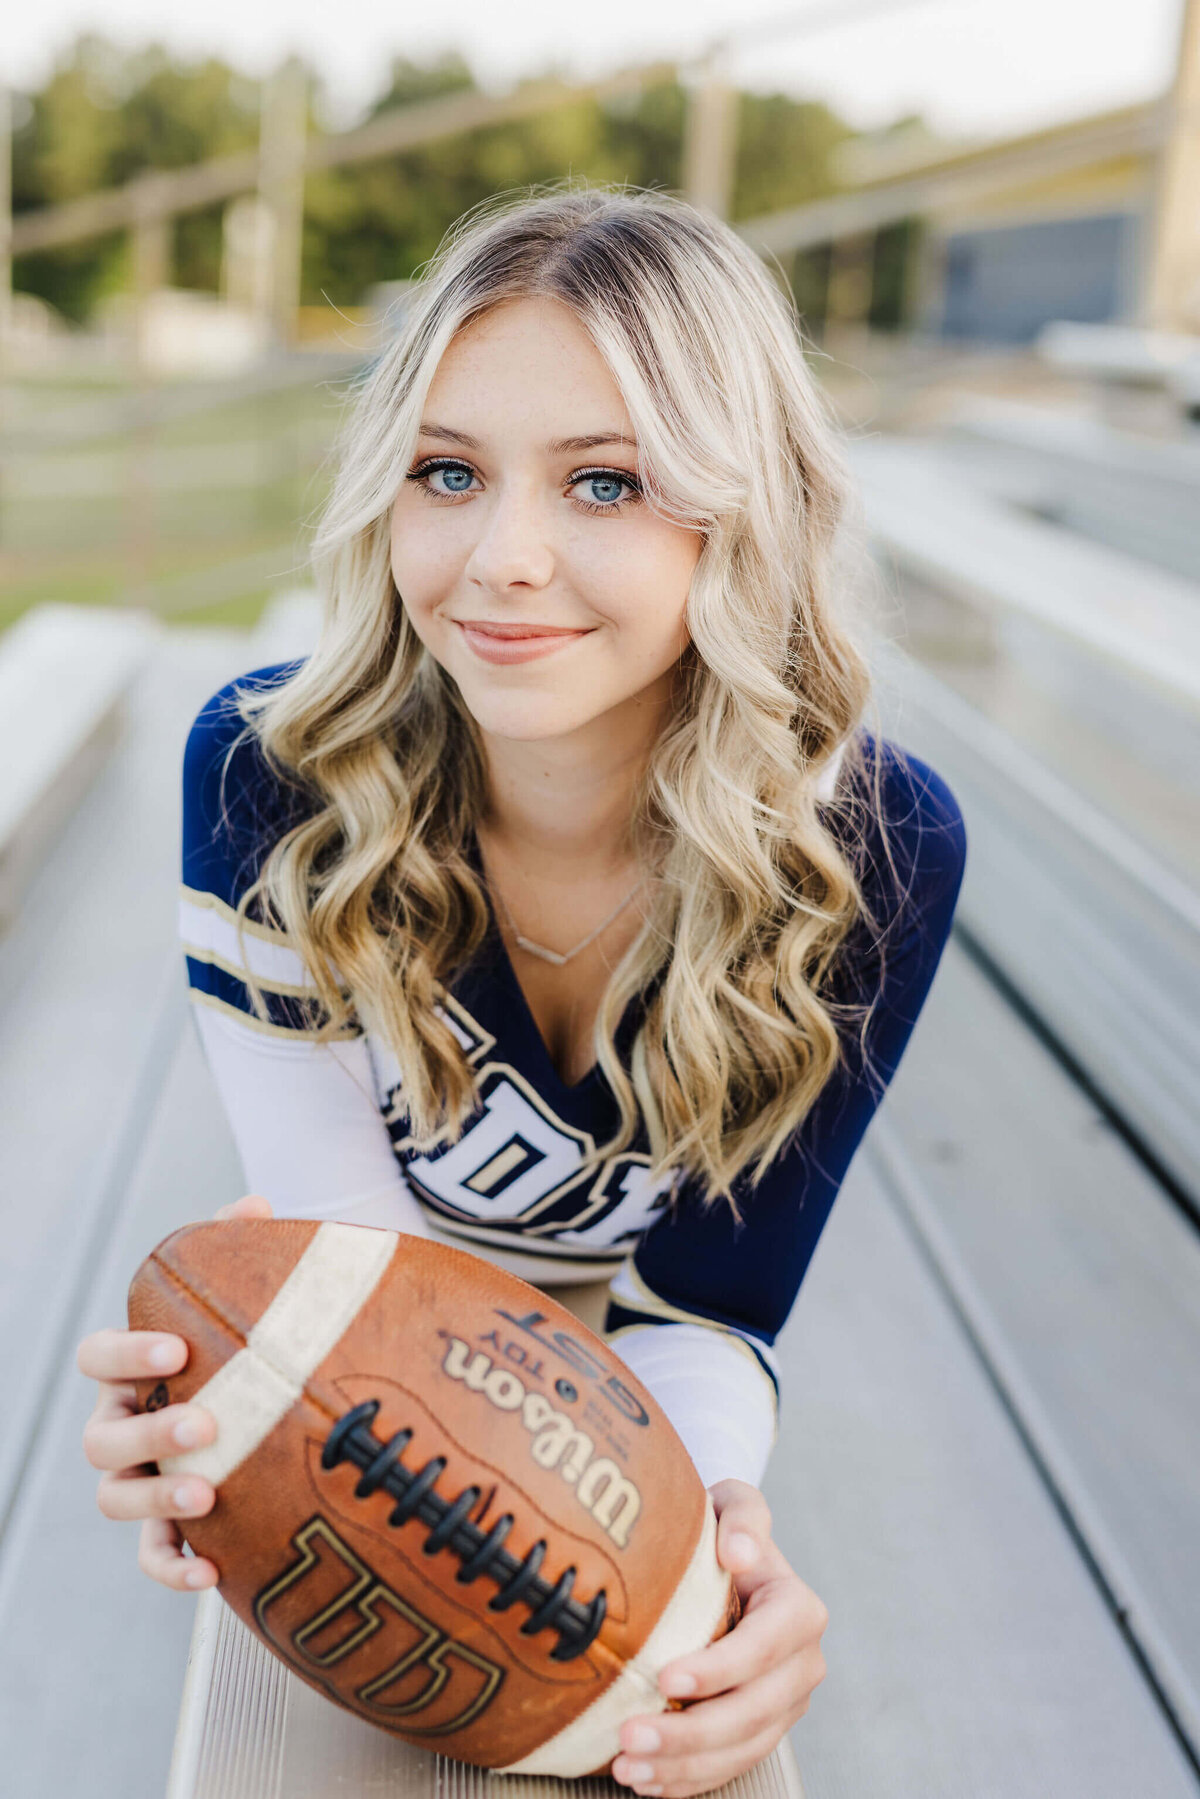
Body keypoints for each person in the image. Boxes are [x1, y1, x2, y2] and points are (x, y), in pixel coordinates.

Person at [77, 180, 967, 1798]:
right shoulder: (269, 778)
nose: (504, 558)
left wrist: (702, 1572)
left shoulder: (873, 849)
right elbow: (365, 1269)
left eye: (608, 481)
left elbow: (707, 1306)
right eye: (449, 472)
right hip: (388, 1271)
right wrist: (250, 1428)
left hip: (628, 1335)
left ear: (741, 510)